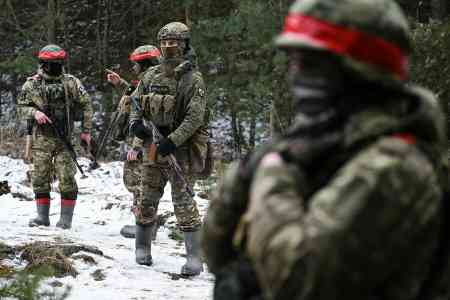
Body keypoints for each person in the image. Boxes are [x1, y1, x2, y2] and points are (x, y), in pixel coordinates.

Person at [202, 0, 448, 299]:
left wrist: (272, 174)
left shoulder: (396, 165)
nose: (295, 74)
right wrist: (243, 175)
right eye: (294, 60)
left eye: (310, 63)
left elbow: (300, 280)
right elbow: (215, 252)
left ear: (359, 72)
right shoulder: (320, 142)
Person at [129, 22, 210, 276]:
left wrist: (172, 140)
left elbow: (194, 117)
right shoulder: (151, 76)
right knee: (147, 197)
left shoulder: (192, 78)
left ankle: (194, 259)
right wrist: (135, 124)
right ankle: (142, 248)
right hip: (153, 147)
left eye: (174, 42)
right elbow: (135, 101)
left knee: (184, 202)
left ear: (185, 44)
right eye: (164, 42)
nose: (168, 46)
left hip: (181, 152)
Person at [17, 44, 93, 229]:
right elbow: (21, 107)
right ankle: (42, 217)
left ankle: (65, 220)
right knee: (40, 178)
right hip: (41, 138)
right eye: (51, 63)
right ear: (43, 63)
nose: (55, 66)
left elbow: (86, 105)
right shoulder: (32, 83)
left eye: (58, 62)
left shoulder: (71, 82)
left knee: (67, 178)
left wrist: (86, 131)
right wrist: (35, 113)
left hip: (65, 138)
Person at [106, 45, 161, 239]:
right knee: (141, 183)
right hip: (144, 142)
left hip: (144, 144)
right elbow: (133, 93)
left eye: (136, 64)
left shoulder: (152, 84)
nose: (134, 67)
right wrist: (119, 83)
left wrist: (136, 147)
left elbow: (146, 118)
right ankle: (145, 224)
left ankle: (145, 227)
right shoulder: (153, 82)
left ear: (143, 64)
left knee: (141, 183)